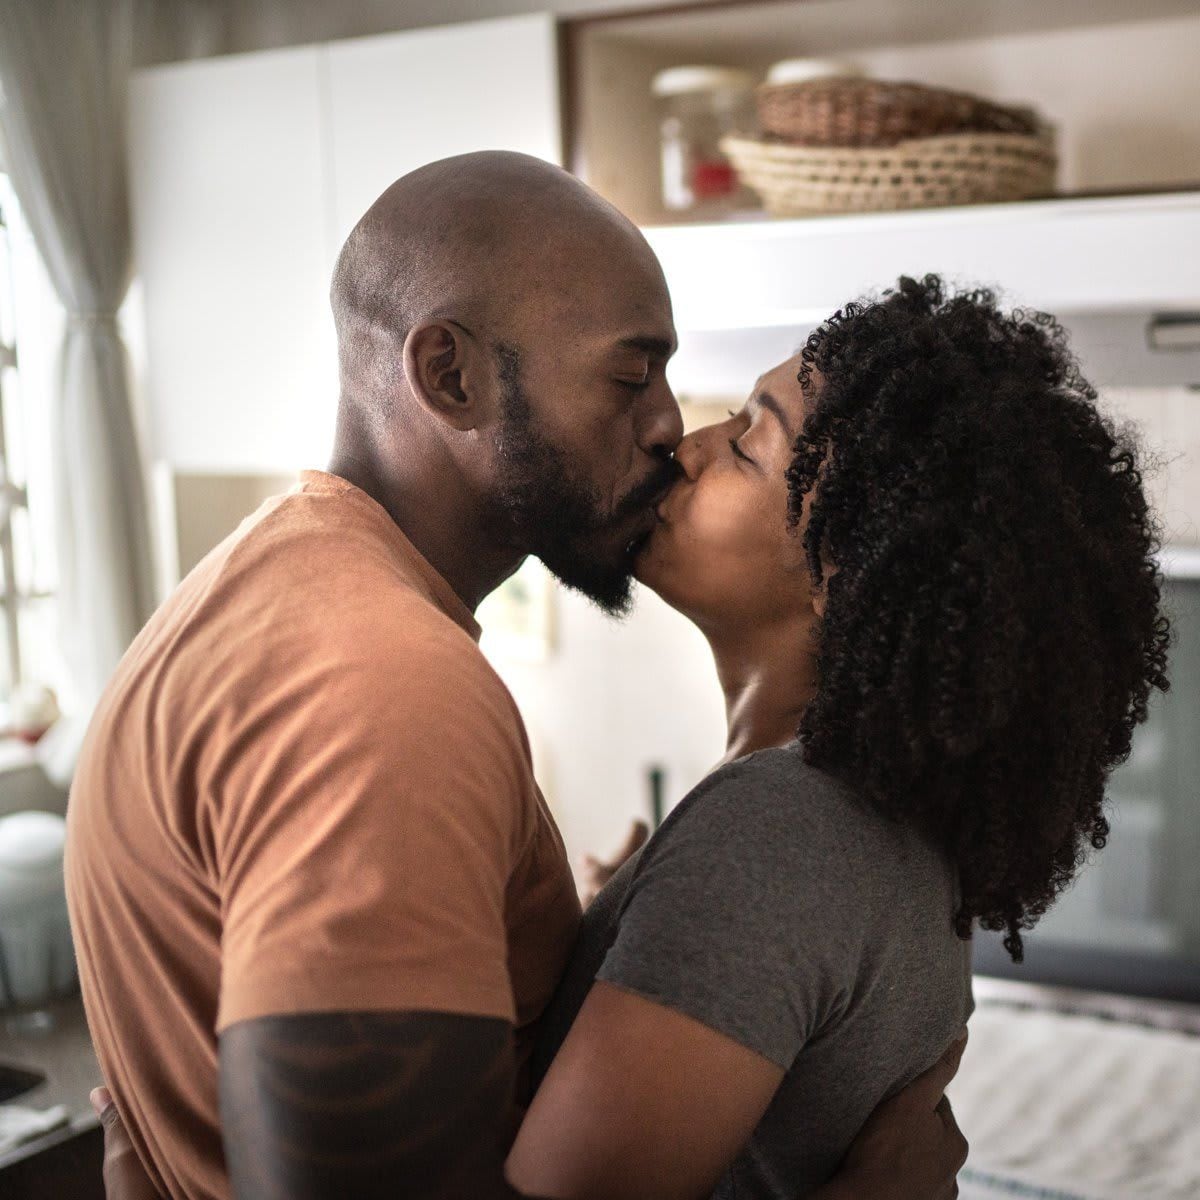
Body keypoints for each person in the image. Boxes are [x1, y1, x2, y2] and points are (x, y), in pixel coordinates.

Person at [68, 155, 966, 1200]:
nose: (674, 427)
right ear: (451, 377)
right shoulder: (384, 683)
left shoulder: (279, 591)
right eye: (630, 378)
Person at [503, 277, 1170, 1198]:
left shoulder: (778, 830)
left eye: (745, 442)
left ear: (847, 568)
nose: (685, 447)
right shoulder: (861, 828)